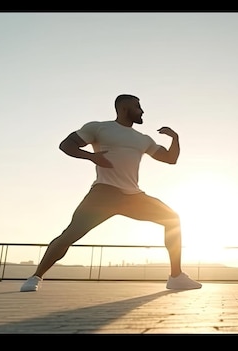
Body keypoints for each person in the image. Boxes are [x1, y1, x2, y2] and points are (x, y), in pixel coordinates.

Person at [20, 94, 202, 292]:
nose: (142, 111)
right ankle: (35, 276)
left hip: (133, 197)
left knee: (172, 219)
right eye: (138, 107)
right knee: (70, 234)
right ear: (124, 109)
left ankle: (176, 276)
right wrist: (90, 156)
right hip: (104, 194)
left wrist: (175, 138)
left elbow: (170, 158)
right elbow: (67, 145)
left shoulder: (143, 139)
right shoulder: (99, 128)